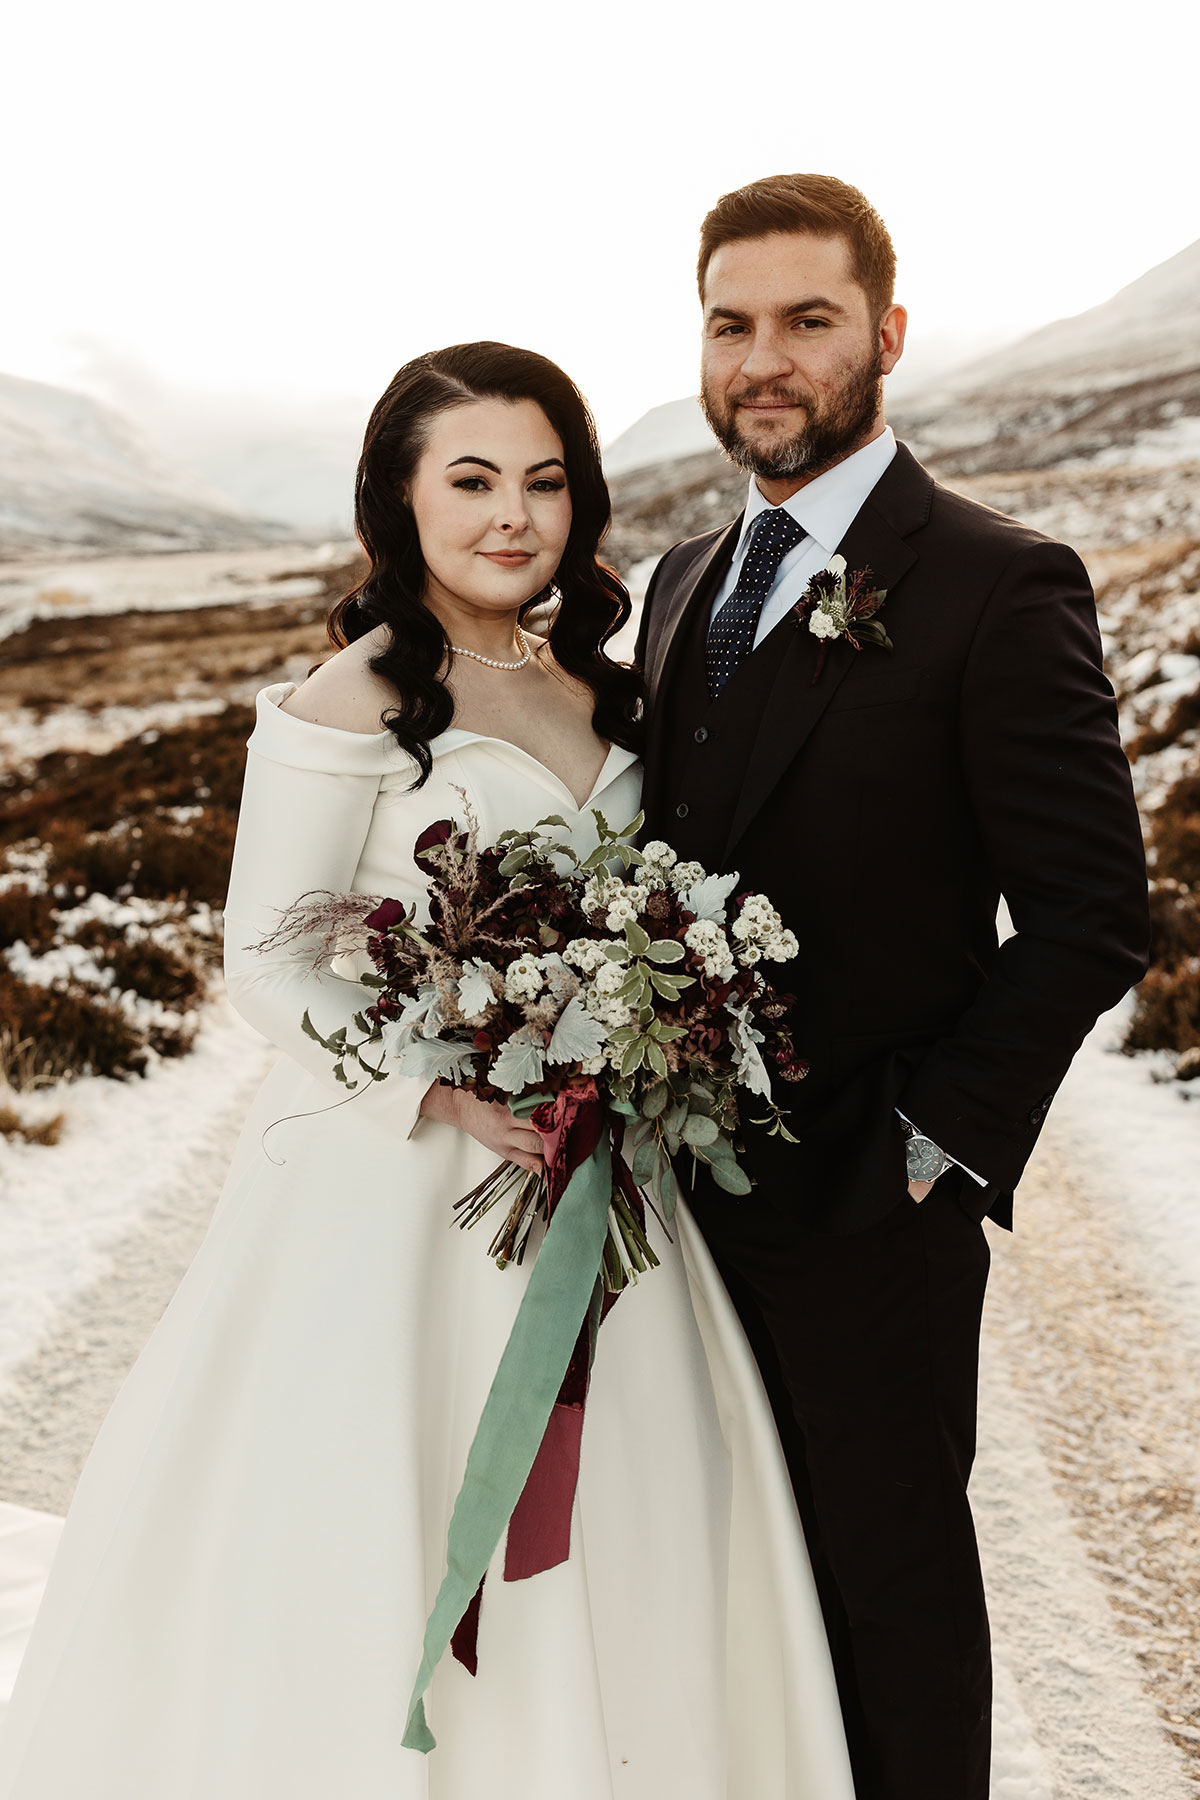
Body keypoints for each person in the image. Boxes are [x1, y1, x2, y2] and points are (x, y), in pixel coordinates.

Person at [0, 341, 856, 1799]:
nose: (513, 515)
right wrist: (441, 1090)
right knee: (390, 1510)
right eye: (470, 480)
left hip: (604, 1174)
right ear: (397, 501)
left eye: (545, 479)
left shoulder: (599, 674)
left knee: (640, 1520)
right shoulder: (350, 698)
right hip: (416, 1186)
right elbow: (266, 963)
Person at [635, 172, 1151, 1800]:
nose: (764, 359)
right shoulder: (677, 586)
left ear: (888, 336)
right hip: (669, 1213)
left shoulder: (1001, 584)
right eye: (733, 324)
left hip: (874, 1203)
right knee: (716, 1591)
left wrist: (931, 1144)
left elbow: (1092, 914)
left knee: (892, 1614)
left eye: (808, 319)